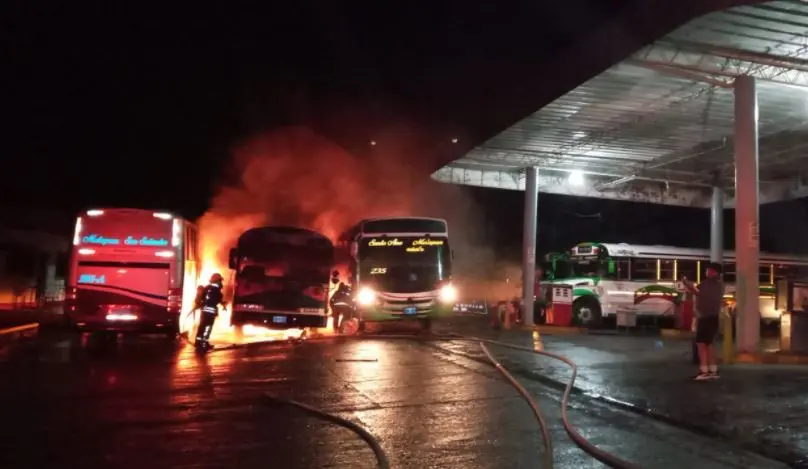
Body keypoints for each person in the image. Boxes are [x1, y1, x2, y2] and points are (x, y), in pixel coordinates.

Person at [683, 262, 724, 381]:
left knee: (701, 343)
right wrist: (690, 286)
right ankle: (713, 370)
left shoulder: (711, 284)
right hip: (712, 317)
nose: (706, 272)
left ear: (715, 272)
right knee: (709, 344)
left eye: (709, 270)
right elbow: (697, 292)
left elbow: (699, 294)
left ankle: (704, 371)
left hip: (706, 317)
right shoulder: (717, 284)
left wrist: (688, 284)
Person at [195, 273, 226, 350]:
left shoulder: (207, 288)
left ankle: (198, 342)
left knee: (202, 326)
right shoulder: (216, 290)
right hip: (210, 312)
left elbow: (204, 298)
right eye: (220, 281)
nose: (221, 283)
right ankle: (204, 343)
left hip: (204, 311)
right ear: (217, 281)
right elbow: (216, 299)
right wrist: (222, 303)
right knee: (208, 327)